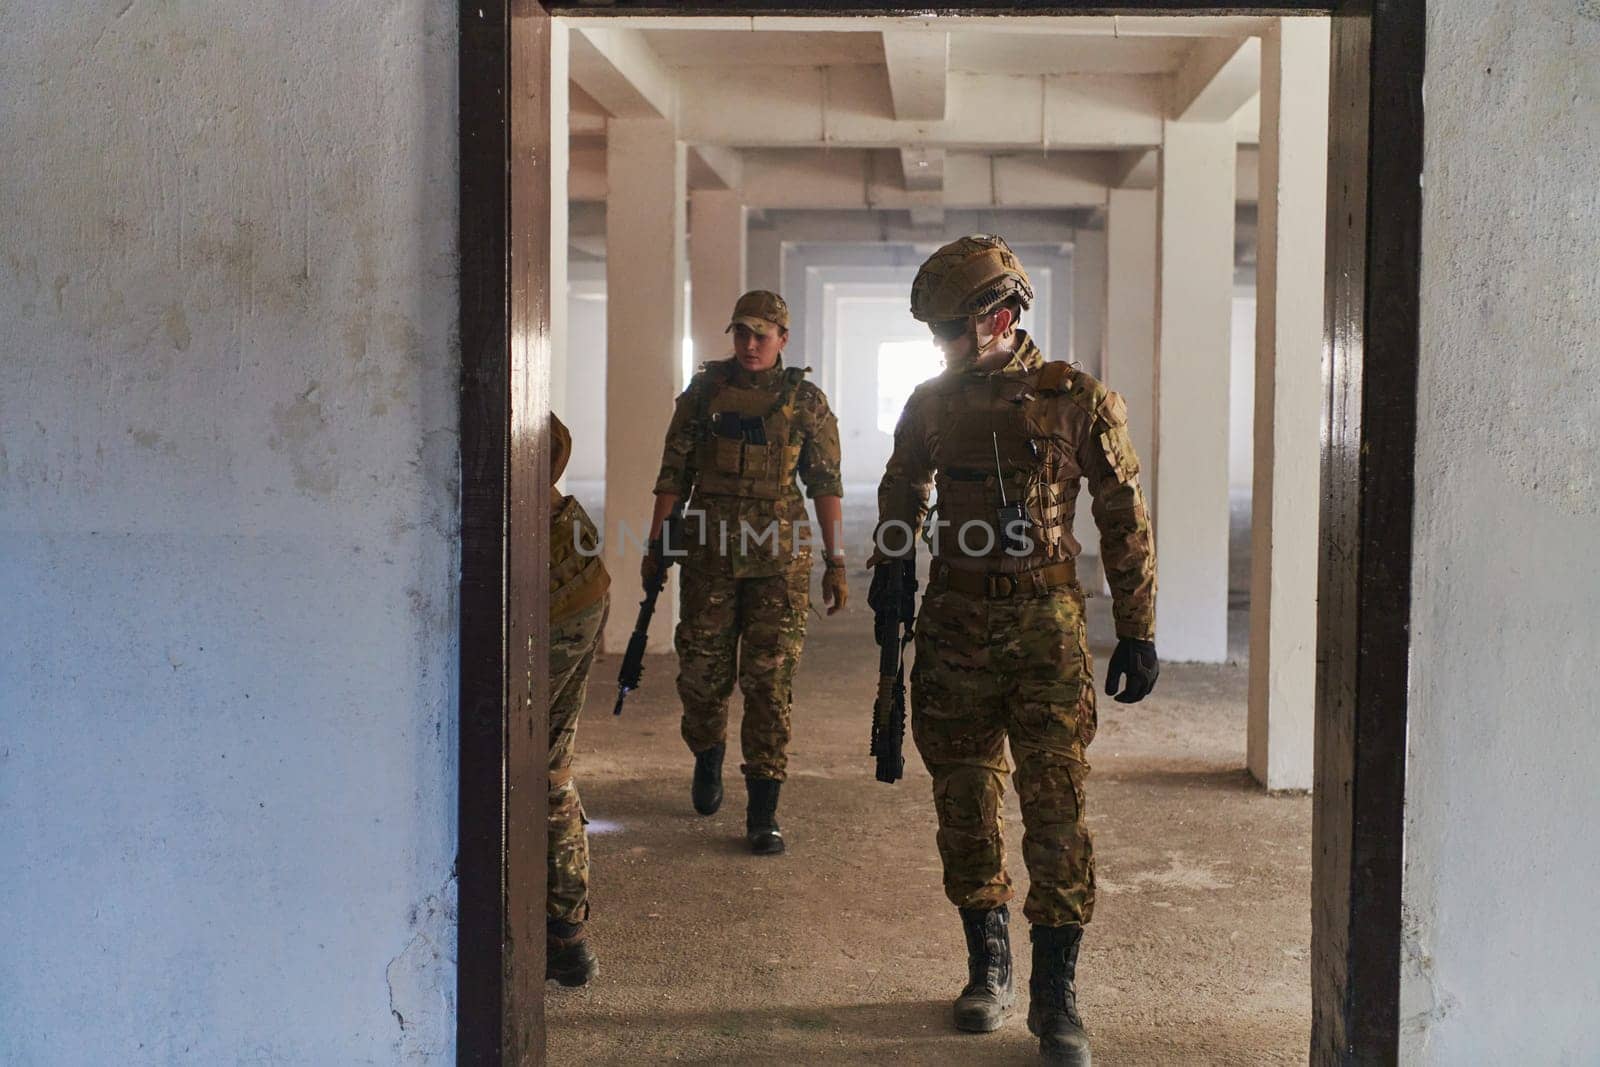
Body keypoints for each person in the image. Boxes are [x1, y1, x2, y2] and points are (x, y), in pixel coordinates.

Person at [870, 236, 1159, 1064]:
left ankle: (1056, 995)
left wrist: (1137, 625)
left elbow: (1122, 514)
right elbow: (901, 485)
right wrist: (892, 562)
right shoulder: (931, 403)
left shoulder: (1077, 400)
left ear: (998, 318)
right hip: (955, 624)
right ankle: (987, 965)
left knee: (1056, 808)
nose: (940, 346)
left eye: (950, 330)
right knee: (964, 804)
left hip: (1044, 628)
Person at [645, 289, 847, 855]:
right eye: (742, 333)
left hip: (777, 565)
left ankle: (763, 811)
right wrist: (656, 543)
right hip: (709, 557)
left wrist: (836, 561)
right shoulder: (703, 395)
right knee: (702, 680)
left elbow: (825, 485)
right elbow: (672, 475)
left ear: (784, 339)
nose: (751, 344)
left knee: (769, 685)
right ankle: (707, 754)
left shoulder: (805, 402)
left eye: (762, 334)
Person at [545, 413, 610, 987]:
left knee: (543, 767)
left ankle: (566, 936)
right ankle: (564, 933)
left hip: (561, 586)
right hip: (571, 565)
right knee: (547, 761)